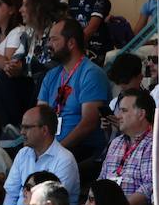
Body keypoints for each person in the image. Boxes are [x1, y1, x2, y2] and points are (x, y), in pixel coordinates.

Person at [36, 18, 112, 161]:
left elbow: (88, 123)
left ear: (71, 43)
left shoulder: (91, 73)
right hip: (52, 148)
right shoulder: (51, 76)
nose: (48, 45)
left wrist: (57, 152)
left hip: (82, 150)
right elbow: (39, 117)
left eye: (53, 40)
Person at [2, 106, 80, 205]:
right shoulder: (23, 154)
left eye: (27, 127)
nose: (22, 132)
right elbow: (11, 194)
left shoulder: (65, 160)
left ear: (44, 130)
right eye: (22, 127)